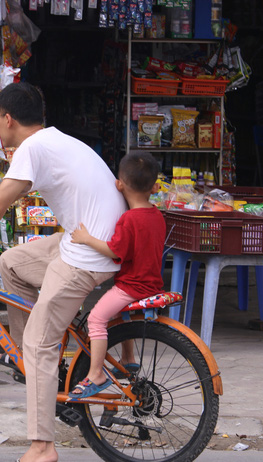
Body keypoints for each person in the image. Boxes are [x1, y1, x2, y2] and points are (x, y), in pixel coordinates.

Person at [0, 82, 127, 462]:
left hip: (89, 257)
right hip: (88, 243)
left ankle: (42, 446)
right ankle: (33, 367)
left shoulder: (32, 149)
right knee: (11, 263)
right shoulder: (49, 141)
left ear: (8, 118)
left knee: (38, 342)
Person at [67, 152, 165, 398]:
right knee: (123, 315)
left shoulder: (128, 219)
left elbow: (114, 251)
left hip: (132, 286)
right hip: (152, 283)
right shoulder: (157, 216)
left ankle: (96, 374)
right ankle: (129, 358)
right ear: (154, 187)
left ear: (119, 184)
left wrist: (87, 239)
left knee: (97, 320)